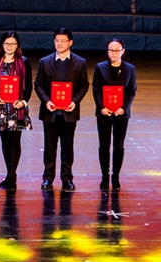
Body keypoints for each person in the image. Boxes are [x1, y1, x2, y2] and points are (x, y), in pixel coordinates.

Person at [34, 27, 89, 191]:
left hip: (69, 112)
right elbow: (38, 84)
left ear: (70, 42)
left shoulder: (80, 62)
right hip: (50, 112)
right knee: (49, 148)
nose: (59, 44)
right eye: (57, 41)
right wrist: (46, 101)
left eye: (63, 41)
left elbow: (84, 85)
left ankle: (67, 179)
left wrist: (74, 101)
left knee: (67, 148)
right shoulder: (45, 61)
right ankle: (47, 178)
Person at [0, 31, 33, 191]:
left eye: (13, 44)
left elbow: (29, 85)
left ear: (17, 45)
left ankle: (12, 176)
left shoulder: (24, 62)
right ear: (2, 45)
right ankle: (9, 174)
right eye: (7, 43)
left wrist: (23, 102)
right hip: (0, 107)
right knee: (5, 141)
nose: (9, 46)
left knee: (15, 140)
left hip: (16, 107)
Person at [92, 37, 136, 191]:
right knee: (104, 145)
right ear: (107, 51)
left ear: (123, 51)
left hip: (121, 113)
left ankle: (115, 176)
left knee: (119, 145)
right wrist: (102, 107)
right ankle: (105, 176)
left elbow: (132, 90)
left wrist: (124, 108)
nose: (114, 53)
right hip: (104, 112)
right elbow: (96, 89)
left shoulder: (130, 68)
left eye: (117, 50)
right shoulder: (100, 67)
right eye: (111, 50)